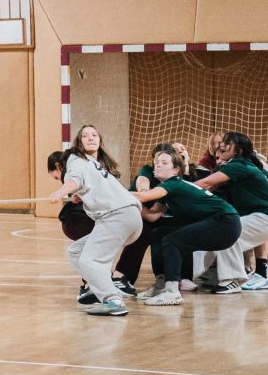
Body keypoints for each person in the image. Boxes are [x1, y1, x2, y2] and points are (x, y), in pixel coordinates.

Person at [127, 144, 240, 307]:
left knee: (172, 241)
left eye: (164, 163)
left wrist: (114, 192)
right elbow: (151, 216)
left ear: (175, 170)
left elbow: (143, 197)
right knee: (159, 233)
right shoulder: (168, 189)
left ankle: (172, 291)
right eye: (157, 162)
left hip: (225, 223)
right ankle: (161, 285)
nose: (158, 165)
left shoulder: (173, 184)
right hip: (223, 223)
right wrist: (131, 203)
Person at [44, 124, 138, 317]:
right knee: (76, 251)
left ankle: (112, 301)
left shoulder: (74, 160)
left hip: (117, 217)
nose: (90, 138)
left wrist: (61, 192)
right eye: (85, 135)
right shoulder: (92, 163)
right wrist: (82, 195)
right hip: (130, 219)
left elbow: (75, 179)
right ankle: (99, 288)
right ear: (80, 142)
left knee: (89, 260)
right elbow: (91, 185)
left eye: (93, 135)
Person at [192, 131, 268, 291]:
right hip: (262, 219)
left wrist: (174, 188)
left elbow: (206, 183)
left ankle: (232, 279)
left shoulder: (238, 165)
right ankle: (197, 274)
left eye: (227, 144)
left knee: (227, 231)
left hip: (266, 219)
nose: (222, 146)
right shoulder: (236, 166)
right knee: (222, 234)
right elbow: (211, 187)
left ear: (239, 150)